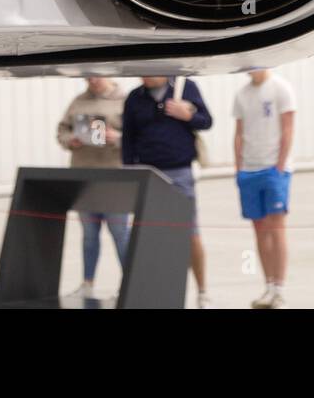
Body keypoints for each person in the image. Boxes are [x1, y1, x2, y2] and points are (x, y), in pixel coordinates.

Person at [121, 75, 213, 307]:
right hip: (147, 172)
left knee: (190, 232)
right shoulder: (135, 97)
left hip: (180, 171)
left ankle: (202, 291)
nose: (145, 75)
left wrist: (188, 114)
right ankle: (151, 291)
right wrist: (129, 173)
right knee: (148, 234)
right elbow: (128, 139)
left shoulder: (186, 87)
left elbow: (206, 121)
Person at [56, 76, 130, 298]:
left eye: (98, 75)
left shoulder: (125, 101)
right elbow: (61, 131)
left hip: (114, 177)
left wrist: (117, 138)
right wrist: (71, 140)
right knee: (89, 234)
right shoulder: (78, 101)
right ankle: (87, 284)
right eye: (88, 76)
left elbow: (140, 137)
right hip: (83, 175)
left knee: (119, 232)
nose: (93, 80)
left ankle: (128, 283)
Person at [233, 67, 296, 308]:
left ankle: (279, 288)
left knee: (277, 226)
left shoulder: (281, 88)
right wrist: (238, 167)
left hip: (273, 169)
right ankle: (268, 286)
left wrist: (280, 165)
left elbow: (288, 127)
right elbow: (238, 134)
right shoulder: (241, 94)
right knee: (259, 228)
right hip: (249, 169)